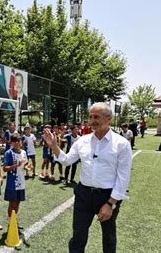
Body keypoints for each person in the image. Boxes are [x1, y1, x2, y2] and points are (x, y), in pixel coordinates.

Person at [43, 102, 132, 253]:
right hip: (83, 195)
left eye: (96, 117)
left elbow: (123, 178)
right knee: (78, 236)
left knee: (109, 237)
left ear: (108, 118)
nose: (92, 120)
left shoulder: (121, 144)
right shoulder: (82, 141)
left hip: (108, 196)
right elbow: (67, 160)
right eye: (90, 117)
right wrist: (54, 146)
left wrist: (110, 204)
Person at [3, 133, 30, 230]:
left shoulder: (23, 152)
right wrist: (16, 165)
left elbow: (23, 165)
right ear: (12, 143)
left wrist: (27, 167)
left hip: (21, 182)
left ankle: (15, 220)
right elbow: (5, 168)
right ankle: (11, 221)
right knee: (12, 203)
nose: (17, 143)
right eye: (15, 141)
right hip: (12, 183)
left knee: (18, 202)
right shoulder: (8, 153)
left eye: (19, 141)